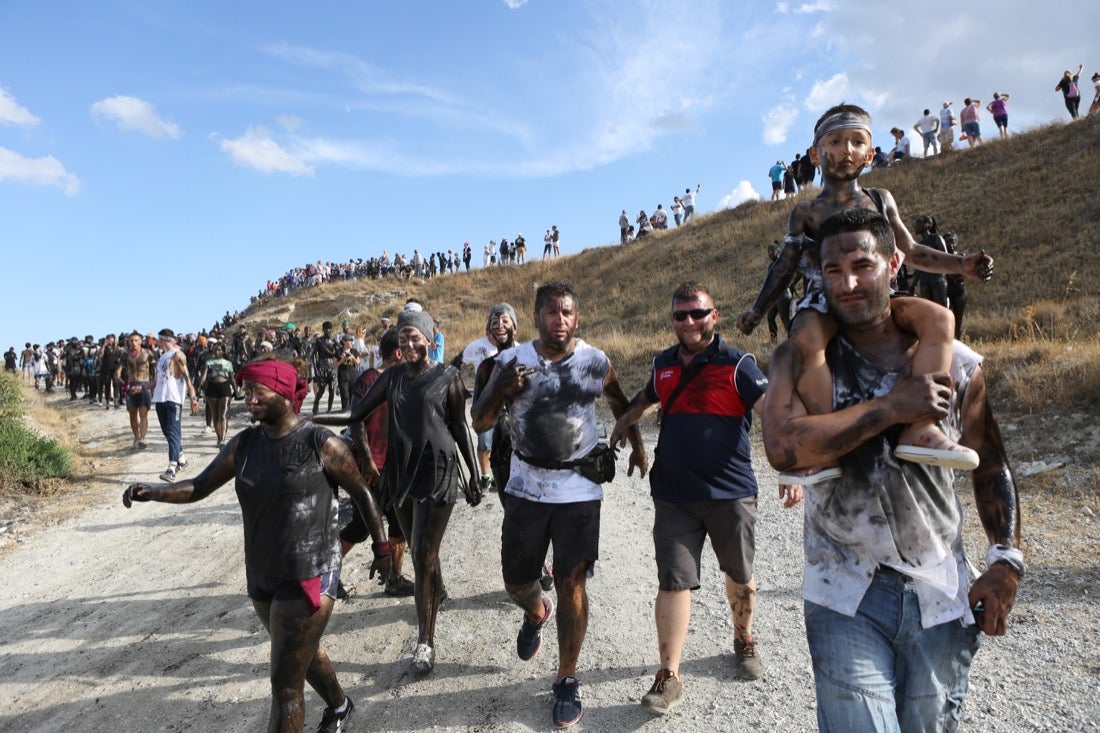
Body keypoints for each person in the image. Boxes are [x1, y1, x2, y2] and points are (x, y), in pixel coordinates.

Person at [761, 208, 1024, 732]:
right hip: (843, 589)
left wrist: (1006, 559)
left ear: (895, 262)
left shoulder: (957, 364)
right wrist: (890, 409)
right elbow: (784, 449)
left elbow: (990, 463)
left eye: (862, 265)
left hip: (939, 592)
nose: (849, 283)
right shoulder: (805, 359)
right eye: (834, 272)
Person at [122, 355, 394, 733]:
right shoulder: (246, 444)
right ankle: (340, 705)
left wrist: (382, 550)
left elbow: (362, 493)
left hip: (309, 573)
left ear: (283, 392)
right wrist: (153, 491)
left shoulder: (321, 443)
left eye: (258, 391)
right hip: (263, 575)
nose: (249, 399)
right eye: (247, 391)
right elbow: (199, 486)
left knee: (285, 687)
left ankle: (334, 708)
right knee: (301, 652)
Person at [736, 103, 993, 485]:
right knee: (806, 337)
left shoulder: (880, 199)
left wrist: (961, 265)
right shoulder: (806, 211)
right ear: (815, 154)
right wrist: (758, 310)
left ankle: (922, 426)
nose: (846, 150)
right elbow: (785, 265)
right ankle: (825, 443)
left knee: (940, 318)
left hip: (879, 297)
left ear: (871, 153)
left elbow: (910, 249)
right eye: (836, 142)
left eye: (857, 142)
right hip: (824, 297)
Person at [609, 282, 802, 715]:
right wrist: (624, 421)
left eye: (698, 314)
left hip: (730, 493)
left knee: (740, 573)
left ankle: (743, 636)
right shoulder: (663, 365)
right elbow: (648, 398)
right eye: (681, 315)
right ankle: (669, 673)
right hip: (674, 494)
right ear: (672, 320)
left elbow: (771, 412)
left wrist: (788, 466)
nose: (690, 323)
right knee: (673, 580)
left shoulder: (738, 365)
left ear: (715, 315)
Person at [471, 282, 646, 730]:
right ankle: (535, 612)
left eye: (567, 312)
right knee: (516, 582)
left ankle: (567, 676)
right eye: (552, 313)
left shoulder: (595, 361)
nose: (561, 320)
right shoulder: (512, 362)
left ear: (577, 317)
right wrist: (501, 389)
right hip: (527, 486)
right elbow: (481, 421)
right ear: (536, 317)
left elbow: (620, 404)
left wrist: (638, 445)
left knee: (572, 582)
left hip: (580, 488)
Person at [315, 309, 482, 675]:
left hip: (438, 470)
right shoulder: (390, 379)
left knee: (422, 552)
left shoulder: (447, 377)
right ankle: (434, 590)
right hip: (401, 473)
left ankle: (425, 643)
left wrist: (474, 474)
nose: (408, 344)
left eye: (415, 337)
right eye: (402, 338)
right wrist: (307, 422)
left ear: (428, 339)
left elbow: (459, 428)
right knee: (417, 544)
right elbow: (356, 413)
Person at [338, 327, 415, 599]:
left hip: (394, 467)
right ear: (397, 352)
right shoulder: (369, 379)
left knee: (399, 524)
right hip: (372, 467)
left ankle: (394, 579)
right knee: (361, 526)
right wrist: (369, 461)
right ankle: (328, 574)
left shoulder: (401, 379)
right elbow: (356, 421)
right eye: (407, 350)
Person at [151, 328, 200, 482]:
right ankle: (182, 460)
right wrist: (142, 387)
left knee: (173, 433)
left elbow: (187, 377)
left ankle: (171, 469)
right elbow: (156, 381)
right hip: (160, 399)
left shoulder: (178, 354)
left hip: (173, 399)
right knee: (168, 433)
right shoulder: (162, 357)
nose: (157, 342)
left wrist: (193, 398)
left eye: (159, 339)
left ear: (163, 340)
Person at [197, 342, 235, 447]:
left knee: (223, 414)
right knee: (215, 415)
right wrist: (199, 386)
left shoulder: (228, 363)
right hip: (212, 388)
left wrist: (236, 389)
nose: (217, 352)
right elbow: (204, 376)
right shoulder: (209, 362)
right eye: (215, 349)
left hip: (225, 387)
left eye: (219, 350)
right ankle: (218, 437)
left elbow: (231, 377)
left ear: (223, 351)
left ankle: (222, 438)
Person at [124, 332, 156, 450]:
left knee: (143, 413)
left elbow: (154, 371)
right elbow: (119, 370)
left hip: (144, 384)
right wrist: (123, 384)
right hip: (131, 385)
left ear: (141, 341)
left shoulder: (148, 353)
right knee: (132, 413)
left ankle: (142, 439)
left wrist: (152, 386)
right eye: (131, 340)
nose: (133, 343)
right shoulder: (126, 355)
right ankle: (136, 437)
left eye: (136, 340)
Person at [912, 215, 950, 307]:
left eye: (918, 222)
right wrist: (913, 285)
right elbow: (918, 268)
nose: (915, 225)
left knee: (941, 310)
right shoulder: (919, 245)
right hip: (925, 283)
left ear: (926, 225)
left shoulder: (936, 238)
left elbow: (946, 257)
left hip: (937, 280)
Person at [764, 240, 795, 342]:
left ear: (777, 251)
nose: (770, 254)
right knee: (770, 317)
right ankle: (773, 340)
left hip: (782, 295)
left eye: (771, 252)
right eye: (769, 252)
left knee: (785, 319)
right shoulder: (771, 266)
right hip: (775, 297)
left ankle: (793, 339)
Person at [944, 231, 969, 339]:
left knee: (958, 320)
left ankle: (958, 340)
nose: (951, 244)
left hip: (959, 290)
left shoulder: (961, 256)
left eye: (953, 241)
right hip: (947, 290)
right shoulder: (942, 258)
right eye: (948, 242)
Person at [311, 321, 339, 414]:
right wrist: (316, 369)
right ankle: (316, 402)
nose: (328, 331)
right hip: (322, 367)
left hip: (331, 367)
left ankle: (329, 409)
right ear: (323, 330)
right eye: (326, 329)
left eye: (329, 329)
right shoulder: (319, 341)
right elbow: (313, 356)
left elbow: (339, 353)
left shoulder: (334, 340)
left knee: (331, 389)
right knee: (322, 390)